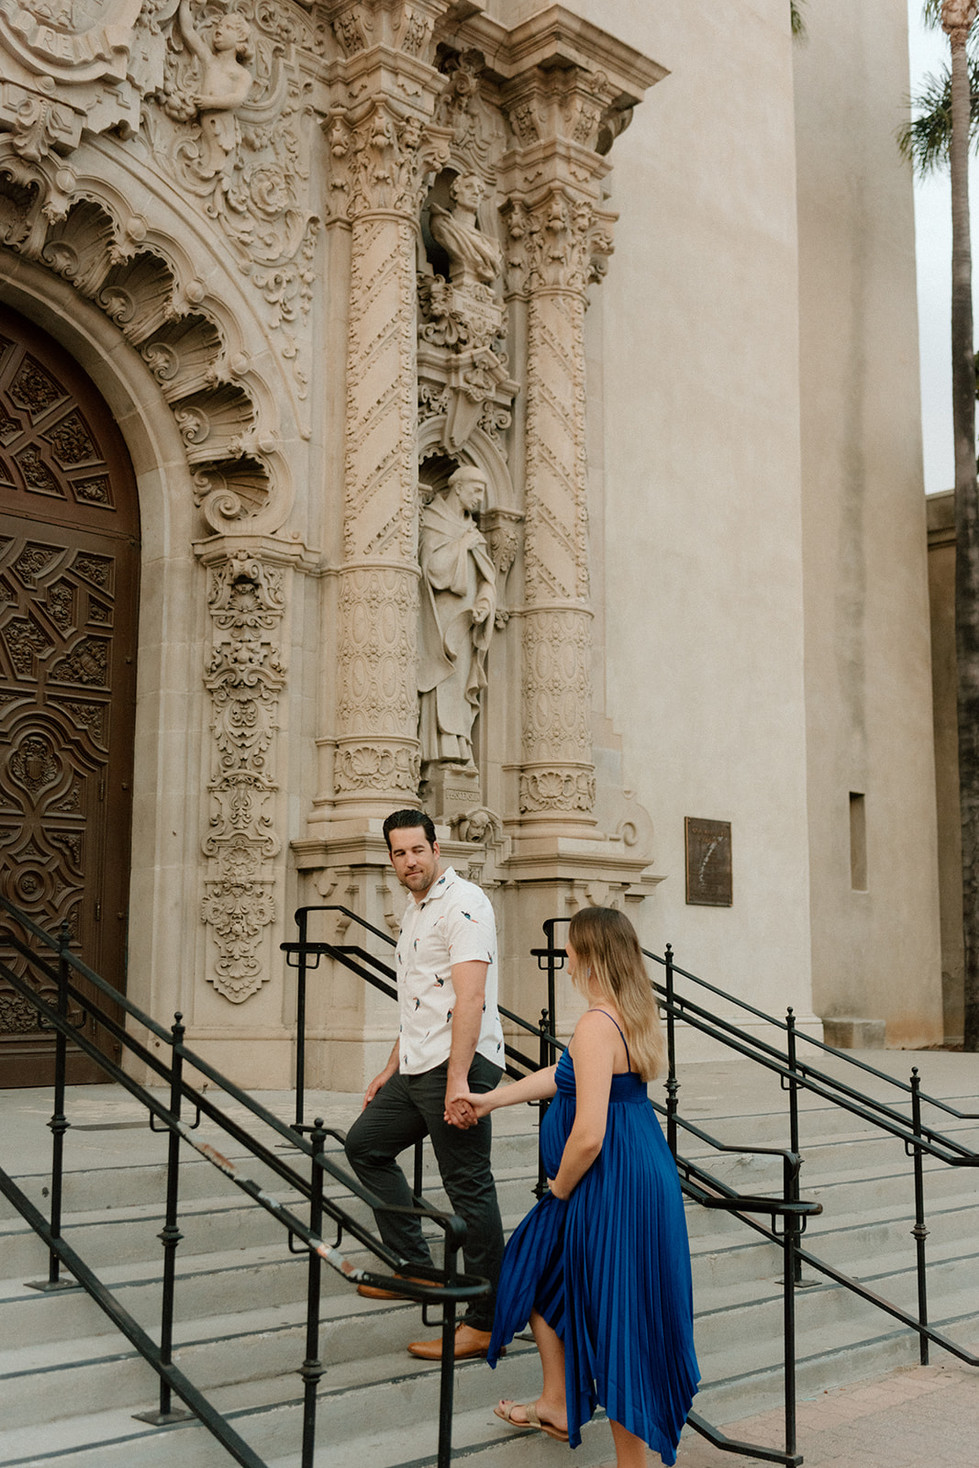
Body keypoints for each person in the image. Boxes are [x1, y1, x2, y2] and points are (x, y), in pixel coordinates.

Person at [459, 906, 699, 1467]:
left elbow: (588, 1133)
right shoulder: (625, 1014)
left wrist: (560, 1190)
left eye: (570, 948)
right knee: (549, 1276)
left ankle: (629, 1462)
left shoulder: (597, 1024)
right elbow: (563, 1075)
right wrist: (492, 1097)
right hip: (636, 1172)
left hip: (606, 1180)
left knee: (617, 1314)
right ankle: (557, 1401)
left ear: (590, 954)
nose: (564, 958)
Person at [344, 808, 505, 1360]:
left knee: (468, 1185)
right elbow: (419, 1000)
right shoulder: (413, 911)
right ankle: (421, 1269)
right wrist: (393, 1063)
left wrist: (458, 1080)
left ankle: (487, 1318)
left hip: (458, 1065)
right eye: (398, 853)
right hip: (419, 1061)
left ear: (436, 848)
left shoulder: (465, 903)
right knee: (365, 1145)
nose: (409, 861)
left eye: (417, 849)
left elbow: (470, 999)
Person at [417, 466, 497, 766]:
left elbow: (486, 579)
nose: (480, 498)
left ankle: (461, 749)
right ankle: (436, 751)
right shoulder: (434, 521)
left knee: (461, 690)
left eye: (483, 492)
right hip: (438, 625)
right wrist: (461, 545)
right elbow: (433, 570)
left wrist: (485, 603)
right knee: (441, 682)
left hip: (466, 626)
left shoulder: (473, 532)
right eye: (476, 490)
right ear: (458, 487)